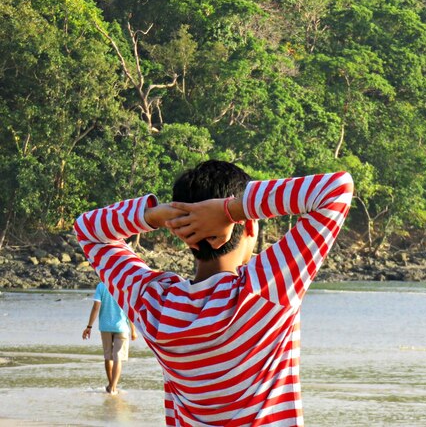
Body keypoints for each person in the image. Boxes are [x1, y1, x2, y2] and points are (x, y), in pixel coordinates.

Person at [74, 159, 353, 426]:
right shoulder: (266, 289)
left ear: (184, 234)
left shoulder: (155, 305)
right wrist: (232, 210)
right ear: (251, 226)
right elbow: (336, 189)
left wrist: (155, 216)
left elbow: (87, 230)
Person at [82, 281, 138, 395]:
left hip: (105, 326)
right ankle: (113, 387)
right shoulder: (124, 286)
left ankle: (110, 385)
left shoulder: (101, 286)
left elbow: (96, 307)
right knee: (118, 357)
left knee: (108, 356)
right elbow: (129, 310)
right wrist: (133, 330)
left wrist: (89, 326)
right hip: (122, 327)